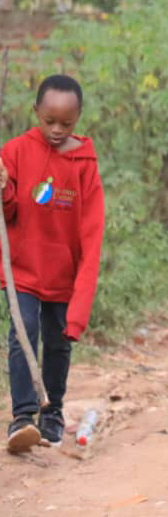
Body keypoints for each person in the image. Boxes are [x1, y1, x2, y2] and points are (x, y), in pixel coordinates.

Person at [1, 75, 104, 453]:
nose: (57, 130)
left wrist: (79, 307)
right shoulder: (14, 152)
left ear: (78, 118)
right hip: (23, 269)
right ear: (36, 113)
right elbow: (9, 210)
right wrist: (5, 188)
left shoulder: (84, 163)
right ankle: (23, 416)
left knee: (59, 342)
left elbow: (92, 233)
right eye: (50, 122)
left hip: (64, 274)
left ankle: (52, 412)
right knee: (24, 331)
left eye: (67, 123)